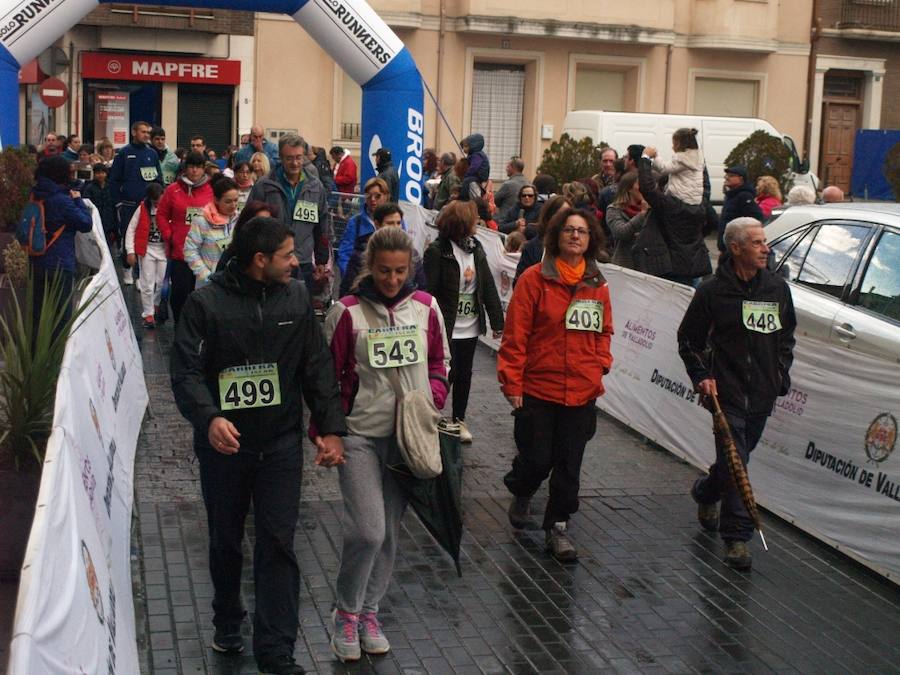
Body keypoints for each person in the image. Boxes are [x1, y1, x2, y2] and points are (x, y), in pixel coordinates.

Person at [171, 215, 346, 675]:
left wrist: (330, 428)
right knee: (226, 540)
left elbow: (316, 365)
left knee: (278, 543)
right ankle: (228, 618)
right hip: (224, 450)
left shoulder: (296, 297)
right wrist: (209, 418)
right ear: (260, 260)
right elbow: (185, 372)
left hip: (281, 445)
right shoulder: (205, 304)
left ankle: (276, 650)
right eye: (287, 256)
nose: (296, 262)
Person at [323, 226, 449, 664]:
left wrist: (432, 398)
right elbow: (326, 378)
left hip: (408, 438)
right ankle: (346, 612)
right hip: (359, 435)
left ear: (410, 267)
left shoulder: (427, 307)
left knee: (390, 532)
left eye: (399, 271)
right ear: (369, 267)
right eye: (383, 271)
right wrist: (328, 431)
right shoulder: (346, 312)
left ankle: (369, 612)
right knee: (368, 529)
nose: (392, 279)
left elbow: (439, 361)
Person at [678, 217, 796, 572]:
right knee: (736, 461)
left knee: (736, 460)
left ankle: (705, 491)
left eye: (765, 242)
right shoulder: (712, 291)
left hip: (762, 393)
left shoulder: (777, 288)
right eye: (757, 243)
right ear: (736, 248)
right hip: (725, 394)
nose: (766, 249)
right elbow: (689, 341)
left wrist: (779, 374)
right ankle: (737, 538)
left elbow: (786, 337)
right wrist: (702, 376)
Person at [498, 208, 613, 561]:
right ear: (556, 236)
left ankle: (558, 526)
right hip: (539, 387)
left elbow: (604, 330)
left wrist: (601, 363)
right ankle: (522, 488)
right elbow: (516, 335)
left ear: (591, 239)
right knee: (536, 459)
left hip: (581, 390)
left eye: (582, 231)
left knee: (568, 465)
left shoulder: (598, 284)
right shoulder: (534, 279)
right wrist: (512, 382)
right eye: (569, 230)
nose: (575, 236)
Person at [424, 201, 504, 443]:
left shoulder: (476, 249)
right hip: (445, 326)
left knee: (464, 374)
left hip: (469, 325)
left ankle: (459, 419)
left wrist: (497, 321)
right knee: (444, 372)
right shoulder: (437, 251)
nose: (477, 222)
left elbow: (487, 285)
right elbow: (428, 290)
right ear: (461, 223)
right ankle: (431, 417)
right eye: (473, 219)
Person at [248, 134, 331, 290]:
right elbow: (250, 223)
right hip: (272, 261)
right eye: (289, 158)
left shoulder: (316, 186)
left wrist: (321, 260)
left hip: (303, 262)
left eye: (298, 157)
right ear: (280, 157)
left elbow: (322, 225)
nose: (295, 163)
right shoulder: (264, 185)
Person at [28, 156, 94, 328]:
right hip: (60, 262)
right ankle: (58, 346)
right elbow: (86, 224)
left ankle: (37, 344)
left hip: (36, 258)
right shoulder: (62, 200)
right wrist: (77, 199)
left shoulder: (34, 194)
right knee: (61, 317)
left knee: (37, 315)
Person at [635, 152, 711, 286]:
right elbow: (705, 187)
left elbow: (647, 188)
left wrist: (645, 158)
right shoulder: (699, 204)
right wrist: (698, 161)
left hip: (668, 267)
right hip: (692, 266)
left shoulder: (668, 205)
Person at [157, 151, 214, 323]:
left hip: (205, 252)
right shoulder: (172, 190)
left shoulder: (211, 190)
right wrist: (169, 235)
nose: (194, 171)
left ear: (203, 169)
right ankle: (180, 325)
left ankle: (198, 328)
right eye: (191, 166)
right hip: (180, 251)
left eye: (198, 167)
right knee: (180, 293)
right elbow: (161, 214)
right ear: (185, 168)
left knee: (202, 294)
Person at [339, 202, 423, 297]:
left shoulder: (412, 254)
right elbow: (347, 290)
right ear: (377, 224)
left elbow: (421, 288)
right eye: (390, 223)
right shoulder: (361, 254)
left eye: (398, 223)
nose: (396, 227)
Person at [109, 120, 163, 253]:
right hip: (129, 205)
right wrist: (118, 203)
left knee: (148, 238)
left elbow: (158, 179)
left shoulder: (152, 153)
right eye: (143, 132)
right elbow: (114, 180)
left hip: (149, 204)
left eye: (148, 133)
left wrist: (158, 199)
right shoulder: (123, 153)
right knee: (128, 237)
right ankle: (127, 264)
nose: (146, 135)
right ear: (134, 132)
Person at [184, 175, 241, 287]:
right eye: (228, 201)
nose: (233, 205)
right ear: (216, 200)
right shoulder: (201, 220)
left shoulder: (239, 220)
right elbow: (190, 251)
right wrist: (207, 276)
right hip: (209, 284)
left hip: (234, 283)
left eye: (236, 200)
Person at [125, 183, 166, 329]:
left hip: (164, 249)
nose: (157, 203)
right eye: (155, 201)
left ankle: (156, 304)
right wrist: (130, 251)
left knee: (162, 282)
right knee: (147, 283)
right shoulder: (142, 208)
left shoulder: (169, 207)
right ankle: (148, 313)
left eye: (160, 199)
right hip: (147, 249)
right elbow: (131, 229)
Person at [336, 177, 388, 277]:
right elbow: (344, 254)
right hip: (360, 279)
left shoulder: (396, 221)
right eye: (369, 196)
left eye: (377, 196)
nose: (373, 200)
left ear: (386, 196)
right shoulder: (355, 222)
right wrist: (350, 278)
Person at [514, 195, 570, 283]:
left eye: (567, 214)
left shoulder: (578, 248)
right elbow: (519, 282)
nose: (564, 219)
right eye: (559, 214)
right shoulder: (532, 248)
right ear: (548, 217)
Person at [647, 128, 704, 205]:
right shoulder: (697, 158)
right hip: (693, 200)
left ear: (679, 145)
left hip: (681, 198)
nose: (672, 147)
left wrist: (655, 157)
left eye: (674, 144)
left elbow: (664, 168)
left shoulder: (682, 159)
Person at [606, 172, 648, 269]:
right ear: (629, 188)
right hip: (624, 265)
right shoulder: (614, 210)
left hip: (646, 267)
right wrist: (642, 214)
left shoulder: (651, 209)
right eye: (640, 184)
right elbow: (621, 232)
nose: (644, 188)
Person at [718, 165, 763, 251]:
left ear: (741, 179)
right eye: (726, 175)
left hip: (737, 247)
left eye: (731, 176)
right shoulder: (731, 195)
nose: (727, 178)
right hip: (727, 246)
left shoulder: (744, 196)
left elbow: (756, 218)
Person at [83, 162, 116, 247]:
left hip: (109, 222)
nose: (100, 175)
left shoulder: (111, 187)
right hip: (95, 221)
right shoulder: (89, 188)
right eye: (98, 173)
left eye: (102, 172)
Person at [460, 134, 490, 200]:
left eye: (466, 146)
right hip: (476, 176)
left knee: (466, 181)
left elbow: (474, 168)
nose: (464, 149)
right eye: (463, 147)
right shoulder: (473, 154)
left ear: (473, 146)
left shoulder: (477, 155)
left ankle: (463, 199)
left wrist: (466, 175)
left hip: (480, 176)